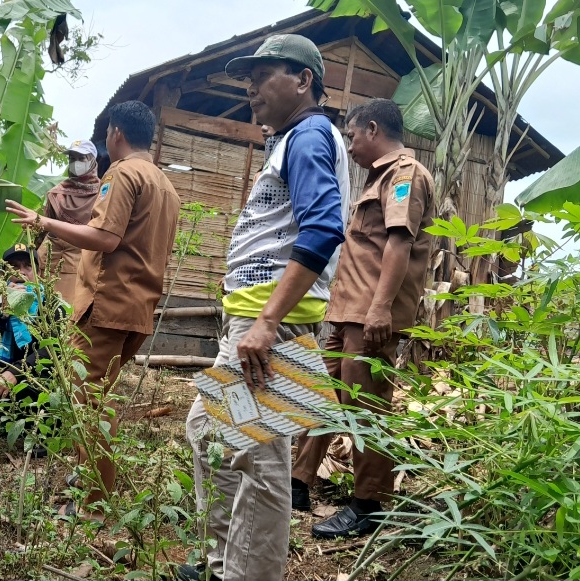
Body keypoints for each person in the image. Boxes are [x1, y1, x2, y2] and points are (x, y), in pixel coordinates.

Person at [180, 34, 351, 581]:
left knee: (258, 461)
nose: (250, 85)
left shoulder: (308, 136)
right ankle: (223, 563)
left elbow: (325, 227)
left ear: (303, 81)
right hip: (255, 322)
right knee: (207, 434)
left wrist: (268, 321)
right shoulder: (293, 139)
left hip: (269, 327)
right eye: (248, 75)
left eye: (264, 73)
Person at [5, 100, 181, 521]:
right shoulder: (165, 186)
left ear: (115, 133)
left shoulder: (121, 174)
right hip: (136, 305)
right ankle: (89, 484)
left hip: (106, 302)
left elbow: (104, 237)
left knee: (91, 403)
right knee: (97, 396)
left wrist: (43, 222)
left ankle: (95, 505)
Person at [292, 98, 435, 539]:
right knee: (323, 396)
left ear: (372, 129)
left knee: (363, 404)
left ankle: (369, 505)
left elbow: (398, 244)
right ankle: (297, 484)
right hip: (346, 312)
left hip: (370, 313)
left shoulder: (405, 175)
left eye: (352, 136)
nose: (349, 147)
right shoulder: (380, 177)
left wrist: (379, 309)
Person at [0, 243, 65, 456]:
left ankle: (44, 428)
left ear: (38, 273)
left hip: (35, 380)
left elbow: (52, 351)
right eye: (13, 267)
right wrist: (1, 316)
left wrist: (13, 373)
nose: (20, 272)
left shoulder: (51, 306)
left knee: (47, 371)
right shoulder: (3, 308)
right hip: (9, 380)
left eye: (27, 266)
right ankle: (7, 420)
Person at [38, 139, 101, 304]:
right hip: (48, 260)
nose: (76, 163)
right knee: (41, 312)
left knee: (68, 315)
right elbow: (44, 228)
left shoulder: (102, 194)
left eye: (81, 158)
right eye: (72, 158)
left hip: (80, 265)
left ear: (93, 161)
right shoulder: (56, 194)